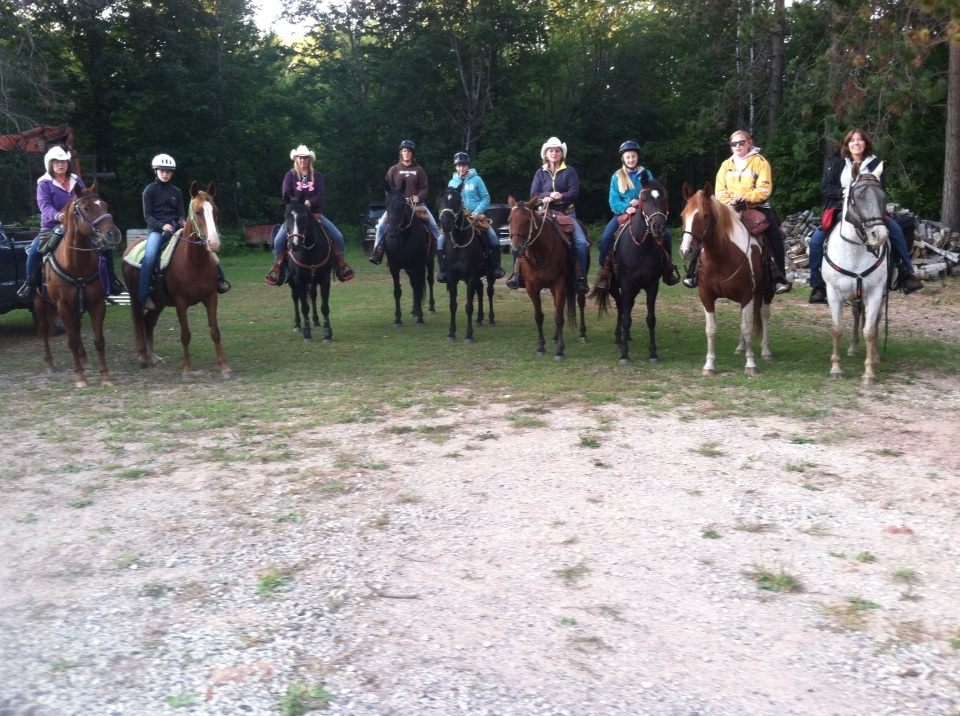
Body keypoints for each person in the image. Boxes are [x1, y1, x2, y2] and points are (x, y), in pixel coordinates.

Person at [807, 128, 923, 303]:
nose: (856, 143)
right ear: (847, 145)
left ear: (865, 144)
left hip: (871, 212)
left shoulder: (876, 164)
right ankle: (818, 286)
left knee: (896, 230)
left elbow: (880, 189)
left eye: (860, 140)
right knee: (816, 241)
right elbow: (826, 187)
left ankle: (906, 274)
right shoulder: (838, 163)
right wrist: (844, 191)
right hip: (841, 211)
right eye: (852, 140)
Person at [684, 130, 790, 294]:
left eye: (741, 142)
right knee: (706, 230)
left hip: (756, 206)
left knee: (774, 236)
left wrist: (746, 197)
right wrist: (729, 200)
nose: (738, 146)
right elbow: (719, 190)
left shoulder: (760, 162)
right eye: (734, 143)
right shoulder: (726, 165)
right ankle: (694, 273)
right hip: (728, 207)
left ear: (749, 142)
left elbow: (764, 189)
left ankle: (778, 278)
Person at [16, 146, 125, 299]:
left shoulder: (76, 180)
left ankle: (112, 281)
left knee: (105, 247)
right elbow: (44, 206)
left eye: (64, 162)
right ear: (50, 165)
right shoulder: (44, 183)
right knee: (35, 252)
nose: (61, 165)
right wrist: (57, 215)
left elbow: (84, 199)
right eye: (57, 162)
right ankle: (30, 285)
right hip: (52, 225)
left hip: (77, 225)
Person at [140, 153, 230, 311]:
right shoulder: (149, 191)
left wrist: (182, 220)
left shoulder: (176, 191)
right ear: (156, 171)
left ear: (172, 173)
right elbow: (147, 216)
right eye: (162, 171)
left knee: (204, 246)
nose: (165, 174)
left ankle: (220, 279)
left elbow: (181, 212)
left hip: (177, 227)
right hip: (157, 230)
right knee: (150, 255)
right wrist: (162, 226)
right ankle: (144, 294)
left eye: (168, 171)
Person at [594, 140, 680, 290]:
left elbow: (654, 194)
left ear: (637, 157)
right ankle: (605, 272)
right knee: (606, 238)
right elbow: (613, 200)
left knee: (666, 234)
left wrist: (640, 203)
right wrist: (626, 208)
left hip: (645, 215)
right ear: (623, 158)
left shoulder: (646, 174)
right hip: (622, 215)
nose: (631, 159)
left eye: (633, 156)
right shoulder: (617, 176)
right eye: (627, 157)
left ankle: (667, 267)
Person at [507, 136, 589, 294]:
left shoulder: (569, 171)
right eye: (551, 150)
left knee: (580, 243)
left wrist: (561, 196)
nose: (554, 153)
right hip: (544, 211)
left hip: (566, 212)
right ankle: (517, 274)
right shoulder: (540, 173)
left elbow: (574, 192)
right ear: (546, 153)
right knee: (521, 238)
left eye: (557, 150)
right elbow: (534, 193)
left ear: (561, 154)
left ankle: (580, 278)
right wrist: (547, 196)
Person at [264, 144, 354, 285]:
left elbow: (320, 194)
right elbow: (285, 193)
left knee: (338, 236)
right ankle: (278, 269)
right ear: (296, 159)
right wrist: (299, 204)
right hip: (295, 216)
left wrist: (309, 203)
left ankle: (341, 266)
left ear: (309, 159)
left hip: (315, 214)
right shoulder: (290, 176)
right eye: (300, 158)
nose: (302, 160)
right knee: (278, 240)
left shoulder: (316, 176)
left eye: (305, 158)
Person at [368, 139, 442, 264]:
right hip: (397, 207)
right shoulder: (393, 170)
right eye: (404, 151)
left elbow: (424, 188)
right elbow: (388, 189)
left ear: (412, 154)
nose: (406, 153)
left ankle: (441, 252)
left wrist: (418, 197)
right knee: (381, 225)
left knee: (434, 226)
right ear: (401, 153)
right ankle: (377, 252)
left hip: (417, 205)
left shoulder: (419, 170)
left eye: (408, 151)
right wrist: (394, 200)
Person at [437, 151, 504, 283]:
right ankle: (443, 270)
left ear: (468, 166)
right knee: (440, 239)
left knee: (492, 237)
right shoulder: (452, 182)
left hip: (475, 216)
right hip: (458, 217)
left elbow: (486, 198)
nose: (461, 168)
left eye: (463, 165)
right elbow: (449, 201)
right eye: (458, 166)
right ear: (455, 167)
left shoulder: (477, 180)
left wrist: (477, 212)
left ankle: (495, 267)